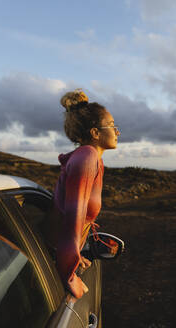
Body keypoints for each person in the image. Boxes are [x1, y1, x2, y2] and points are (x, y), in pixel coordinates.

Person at [48, 89, 120, 299]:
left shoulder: (91, 159)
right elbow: (73, 216)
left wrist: (77, 254)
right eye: (112, 125)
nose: (117, 131)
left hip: (57, 253)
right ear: (95, 133)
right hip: (52, 256)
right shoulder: (87, 157)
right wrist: (69, 272)